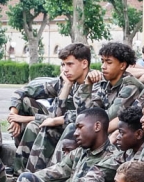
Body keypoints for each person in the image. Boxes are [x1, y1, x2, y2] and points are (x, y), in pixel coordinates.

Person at [11, 44, 93, 172]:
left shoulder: (93, 83)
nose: (65, 69)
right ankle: (21, 173)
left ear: (84, 64)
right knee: (26, 102)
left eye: (70, 64)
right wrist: (13, 117)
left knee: (39, 126)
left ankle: (33, 175)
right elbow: (22, 91)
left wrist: (28, 119)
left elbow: (83, 116)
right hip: (58, 123)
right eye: (63, 65)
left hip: (76, 130)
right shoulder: (64, 81)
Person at [88, 41, 144, 132]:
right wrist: (87, 85)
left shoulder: (130, 86)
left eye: (109, 62)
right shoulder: (105, 83)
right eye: (102, 61)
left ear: (122, 65)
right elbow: (87, 111)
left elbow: (109, 116)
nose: (103, 66)